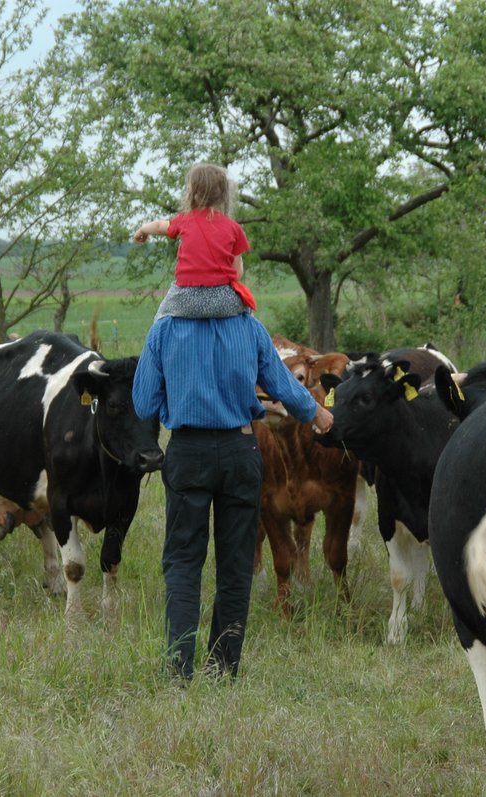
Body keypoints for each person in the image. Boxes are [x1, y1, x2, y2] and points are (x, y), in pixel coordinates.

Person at [132, 311, 334, 682]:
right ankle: (222, 670)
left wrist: (176, 407)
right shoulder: (249, 327)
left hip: (188, 450)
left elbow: (143, 403)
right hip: (239, 448)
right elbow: (285, 388)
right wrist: (316, 412)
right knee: (236, 563)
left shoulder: (164, 327)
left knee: (183, 562)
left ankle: (179, 671)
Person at [132, 162, 257, 321]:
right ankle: (261, 345)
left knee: (159, 322)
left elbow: (158, 225)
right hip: (223, 301)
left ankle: (152, 345)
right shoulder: (235, 228)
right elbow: (237, 273)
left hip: (184, 299)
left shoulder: (185, 220)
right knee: (249, 317)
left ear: (192, 193)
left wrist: (142, 230)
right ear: (224, 195)